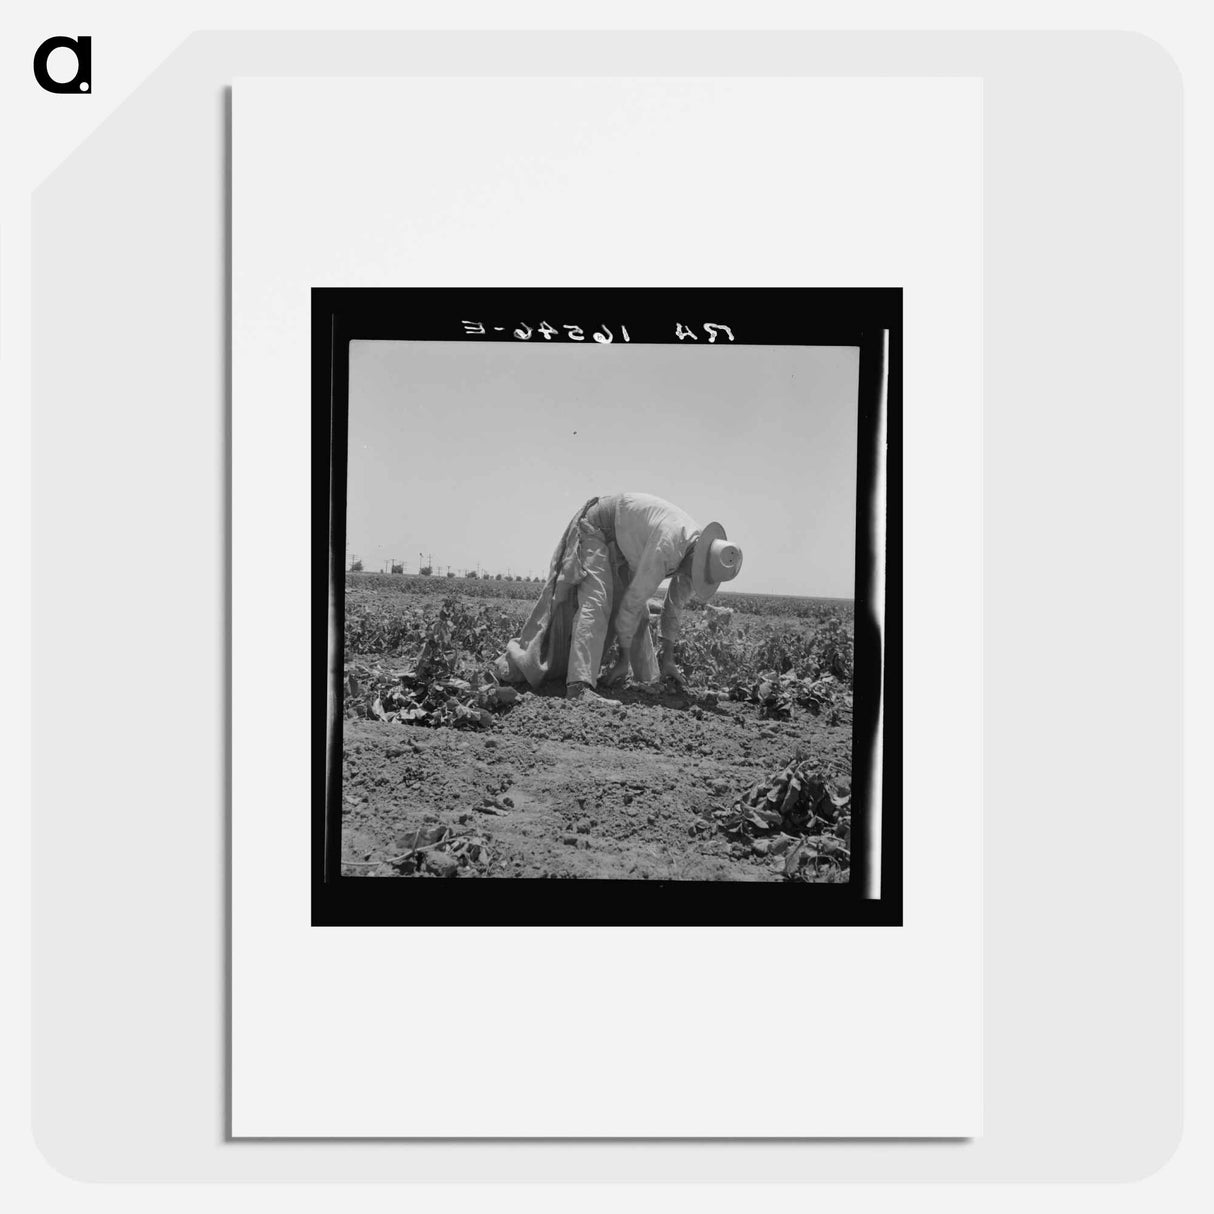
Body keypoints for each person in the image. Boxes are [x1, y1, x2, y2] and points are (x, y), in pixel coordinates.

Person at [491, 493, 743, 699]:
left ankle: (652, 682)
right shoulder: (668, 543)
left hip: (623, 547)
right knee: (597, 602)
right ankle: (579, 687)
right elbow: (632, 603)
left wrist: (669, 659)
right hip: (598, 527)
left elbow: (672, 609)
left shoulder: (694, 561)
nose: (693, 577)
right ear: (696, 556)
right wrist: (623, 660)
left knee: (641, 617)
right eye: (696, 571)